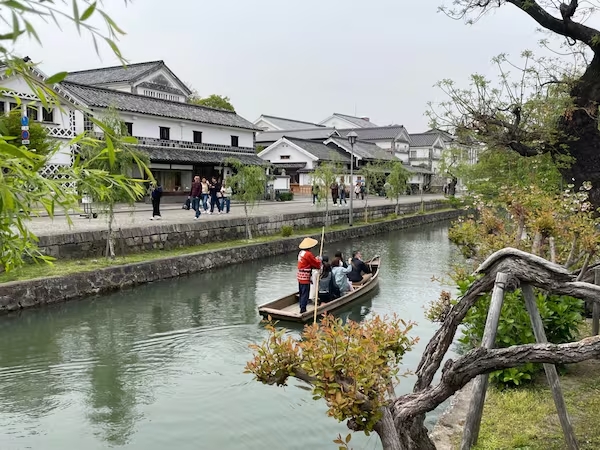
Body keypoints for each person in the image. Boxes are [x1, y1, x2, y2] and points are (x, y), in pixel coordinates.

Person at [297, 237, 322, 313]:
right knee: (305, 292)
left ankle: (301, 305)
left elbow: (310, 261)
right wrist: (319, 260)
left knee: (301, 291)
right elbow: (316, 264)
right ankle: (303, 309)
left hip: (300, 275)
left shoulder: (301, 253)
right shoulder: (308, 254)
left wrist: (316, 259)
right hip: (305, 276)